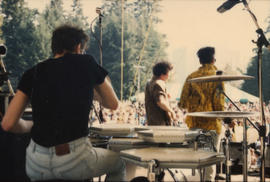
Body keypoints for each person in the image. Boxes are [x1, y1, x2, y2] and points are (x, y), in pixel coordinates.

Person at [1, 25, 126, 181]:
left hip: (36, 163)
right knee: (118, 163)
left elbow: (8, 123)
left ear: (55, 47)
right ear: (79, 47)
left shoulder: (33, 72)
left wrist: (32, 124)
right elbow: (113, 103)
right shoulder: (86, 62)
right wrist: (94, 91)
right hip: (72, 160)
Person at [178, 46, 224, 181]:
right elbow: (219, 104)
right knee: (209, 158)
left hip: (195, 124)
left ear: (200, 61)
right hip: (212, 125)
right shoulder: (217, 77)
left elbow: (182, 103)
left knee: (197, 157)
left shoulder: (191, 77)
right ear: (213, 60)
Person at [145, 61, 176, 126]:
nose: (169, 76)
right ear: (162, 74)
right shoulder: (159, 83)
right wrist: (172, 111)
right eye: (168, 73)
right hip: (161, 123)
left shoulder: (149, 83)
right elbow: (160, 102)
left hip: (152, 121)